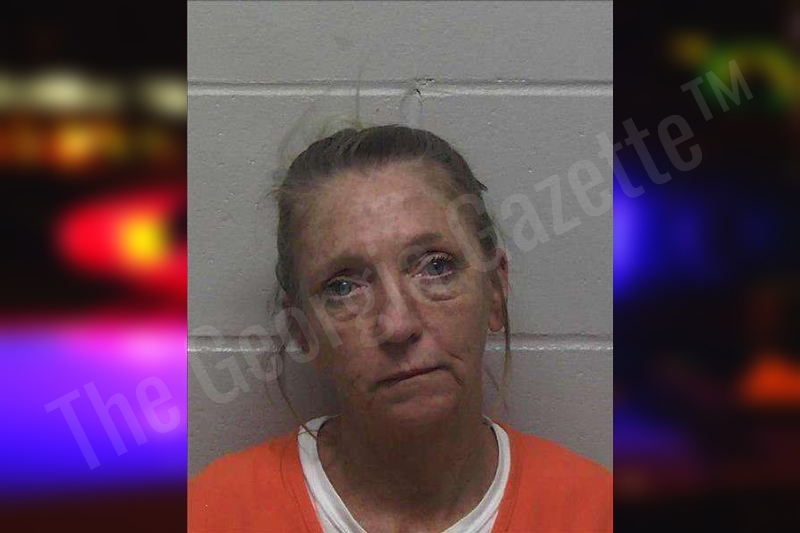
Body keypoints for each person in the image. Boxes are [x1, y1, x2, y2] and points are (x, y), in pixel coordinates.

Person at [188, 125, 612, 532]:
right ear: (303, 333)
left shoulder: (595, 512)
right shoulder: (214, 513)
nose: (397, 324)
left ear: (496, 291)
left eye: (437, 267)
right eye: (343, 287)